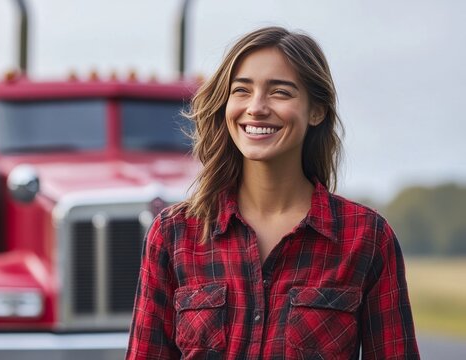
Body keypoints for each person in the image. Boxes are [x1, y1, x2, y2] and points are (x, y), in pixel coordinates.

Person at [126, 26, 420, 359]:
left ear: (316, 110)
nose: (256, 107)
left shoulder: (366, 238)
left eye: (280, 92)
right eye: (242, 90)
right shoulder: (174, 234)